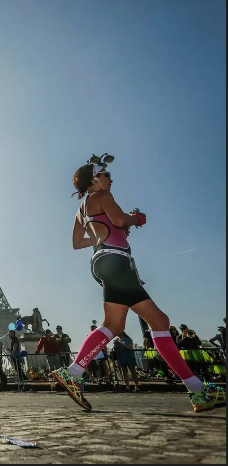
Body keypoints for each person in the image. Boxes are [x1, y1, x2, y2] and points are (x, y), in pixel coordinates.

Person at [52, 155, 225, 412]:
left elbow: (79, 243)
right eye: (106, 175)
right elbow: (121, 220)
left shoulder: (81, 209)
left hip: (101, 261)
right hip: (118, 261)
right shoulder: (104, 196)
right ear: (94, 180)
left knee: (129, 323)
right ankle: (198, 391)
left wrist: (111, 229)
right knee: (151, 323)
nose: (111, 179)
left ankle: (75, 371)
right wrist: (136, 218)